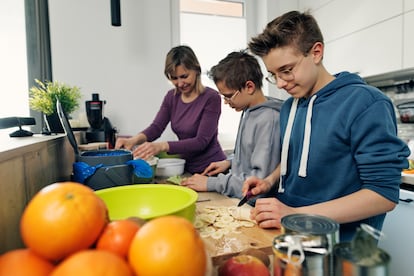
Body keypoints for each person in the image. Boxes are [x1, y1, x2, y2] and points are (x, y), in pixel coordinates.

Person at [243, 10, 410, 242]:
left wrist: (295, 215)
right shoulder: (290, 107)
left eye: (287, 70)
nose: (280, 83)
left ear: (316, 52)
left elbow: (383, 194)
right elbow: (297, 155)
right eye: (273, 74)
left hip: (343, 252)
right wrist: (269, 181)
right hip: (292, 240)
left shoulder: (366, 103)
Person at [181, 50, 283, 200]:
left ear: (249, 87)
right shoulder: (249, 110)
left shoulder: (268, 119)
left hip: (255, 205)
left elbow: (257, 184)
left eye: (228, 96)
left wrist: (212, 183)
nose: (225, 101)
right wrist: (229, 162)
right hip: (240, 199)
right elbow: (249, 155)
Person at [115, 45, 226, 174]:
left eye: (184, 76)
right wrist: (132, 140)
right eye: (174, 78)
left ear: (196, 70)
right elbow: (156, 128)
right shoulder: (171, 97)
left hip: (213, 168)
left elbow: (201, 141)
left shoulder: (211, 98)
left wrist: (161, 146)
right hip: (187, 169)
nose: (179, 83)